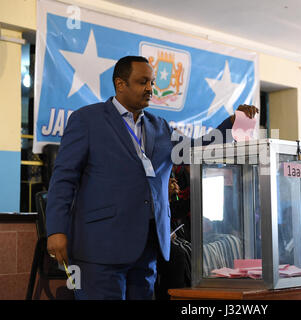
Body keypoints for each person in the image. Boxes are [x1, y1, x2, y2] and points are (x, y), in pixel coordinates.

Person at [45, 55, 258, 300]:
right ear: (120, 84)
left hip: (147, 247)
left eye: (152, 82)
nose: (150, 88)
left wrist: (231, 124)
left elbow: (196, 151)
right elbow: (64, 178)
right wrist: (56, 230)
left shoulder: (160, 127)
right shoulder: (87, 120)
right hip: (100, 247)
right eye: (142, 82)